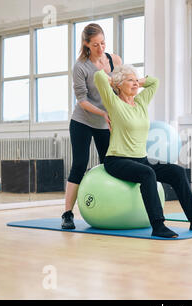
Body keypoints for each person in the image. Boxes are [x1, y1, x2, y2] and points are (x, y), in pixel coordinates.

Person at [93, 65, 192, 238]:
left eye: (136, 80)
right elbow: (99, 77)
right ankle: (158, 225)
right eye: (130, 80)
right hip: (117, 160)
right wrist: (114, 79)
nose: (136, 84)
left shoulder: (141, 102)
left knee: (178, 171)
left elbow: (154, 82)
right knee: (147, 173)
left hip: (141, 159)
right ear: (119, 84)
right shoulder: (113, 103)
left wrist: (136, 81)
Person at [61, 23, 122, 229]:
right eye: (95, 44)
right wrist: (104, 113)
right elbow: (82, 100)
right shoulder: (81, 66)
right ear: (86, 44)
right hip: (83, 121)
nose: (100, 48)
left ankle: (113, 206)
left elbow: (120, 89)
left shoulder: (114, 60)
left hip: (105, 123)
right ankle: (67, 213)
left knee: (110, 163)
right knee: (80, 163)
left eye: (103, 43)